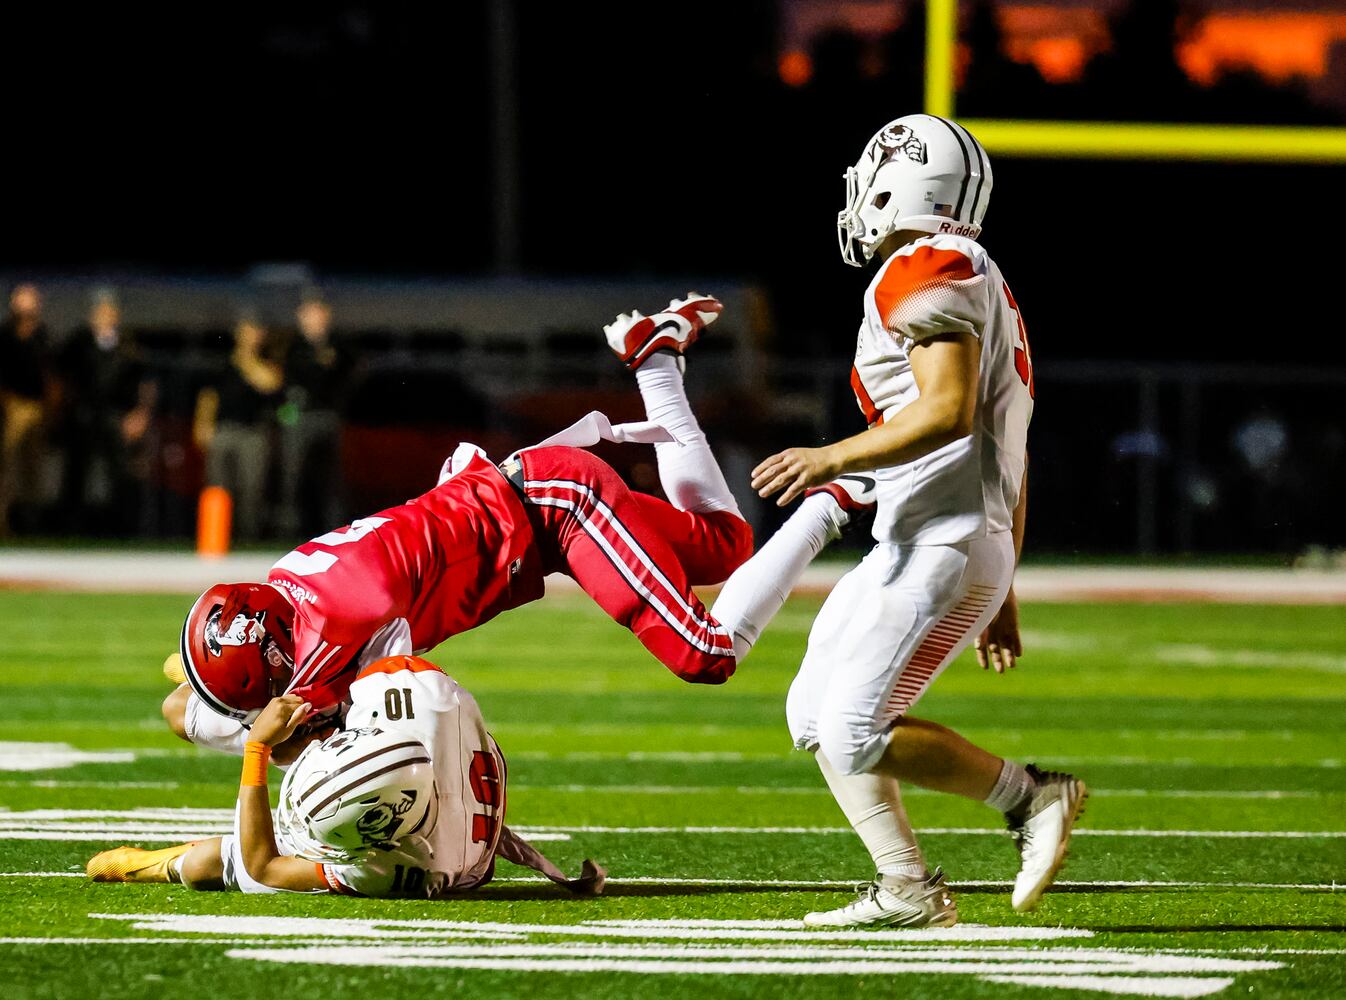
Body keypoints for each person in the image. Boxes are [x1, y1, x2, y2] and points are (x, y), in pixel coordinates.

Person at [743, 114, 1086, 926]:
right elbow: (1012, 448)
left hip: (942, 538)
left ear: (901, 184)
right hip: (938, 534)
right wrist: (1003, 588)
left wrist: (831, 456)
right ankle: (906, 886)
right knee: (813, 712)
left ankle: (1032, 796)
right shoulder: (971, 271)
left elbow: (950, 410)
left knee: (857, 727)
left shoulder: (925, 265)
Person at [88, 654, 604, 898]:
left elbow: (265, 866)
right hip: (410, 763)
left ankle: (155, 865)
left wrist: (257, 747)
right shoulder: (418, 696)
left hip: (410, 787)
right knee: (180, 708)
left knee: (206, 862)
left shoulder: (399, 870)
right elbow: (378, 655)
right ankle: (230, 671)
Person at [55, 290, 156, 534]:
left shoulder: (128, 345)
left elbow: (146, 383)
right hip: (85, 415)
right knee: (77, 473)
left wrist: (140, 413)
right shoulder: (79, 342)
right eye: (100, 313)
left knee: (119, 474)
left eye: (109, 313)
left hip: (116, 416)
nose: (105, 318)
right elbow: (59, 375)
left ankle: (120, 528)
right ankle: (71, 528)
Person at [194, 316, 282, 541]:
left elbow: (270, 383)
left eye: (256, 330)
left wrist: (247, 359)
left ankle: (248, 537)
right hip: (223, 430)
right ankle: (216, 537)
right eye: (247, 330)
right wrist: (203, 425)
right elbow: (208, 397)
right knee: (218, 488)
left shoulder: (267, 361)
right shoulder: (222, 362)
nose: (252, 335)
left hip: (252, 432)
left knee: (251, 488)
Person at [278, 294, 348, 538]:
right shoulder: (293, 346)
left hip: (327, 416)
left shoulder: (338, 344)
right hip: (300, 417)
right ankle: (290, 532)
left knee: (329, 481)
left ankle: (332, 533)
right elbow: (290, 380)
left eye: (319, 314)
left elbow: (341, 378)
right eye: (309, 314)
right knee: (294, 477)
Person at [0, 284, 53, 534]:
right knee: (6, 465)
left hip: (37, 406)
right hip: (12, 405)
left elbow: (50, 374)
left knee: (34, 469)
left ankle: (33, 523)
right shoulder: (6, 336)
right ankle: (3, 521)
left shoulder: (42, 335)